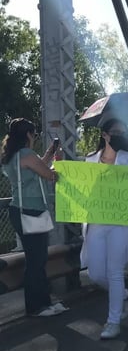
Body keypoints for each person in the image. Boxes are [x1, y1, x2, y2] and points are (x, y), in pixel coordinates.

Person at [80, 118, 128, 339]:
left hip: (122, 222)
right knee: (96, 273)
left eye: (123, 132)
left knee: (114, 271)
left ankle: (113, 321)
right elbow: (81, 188)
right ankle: (125, 295)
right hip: (97, 221)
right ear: (105, 135)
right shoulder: (90, 161)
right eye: (115, 132)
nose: (119, 135)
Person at [0, 118, 67, 317]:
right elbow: (49, 175)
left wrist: (50, 153)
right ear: (28, 134)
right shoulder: (27, 154)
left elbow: (38, 167)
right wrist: (60, 165)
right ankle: (37, 306)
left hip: (20, 209)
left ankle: (44, 302)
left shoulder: (13, 156)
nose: (35, 138)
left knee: (37, 258)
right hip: (30, 210)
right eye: (34, 134)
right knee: (37, 260)